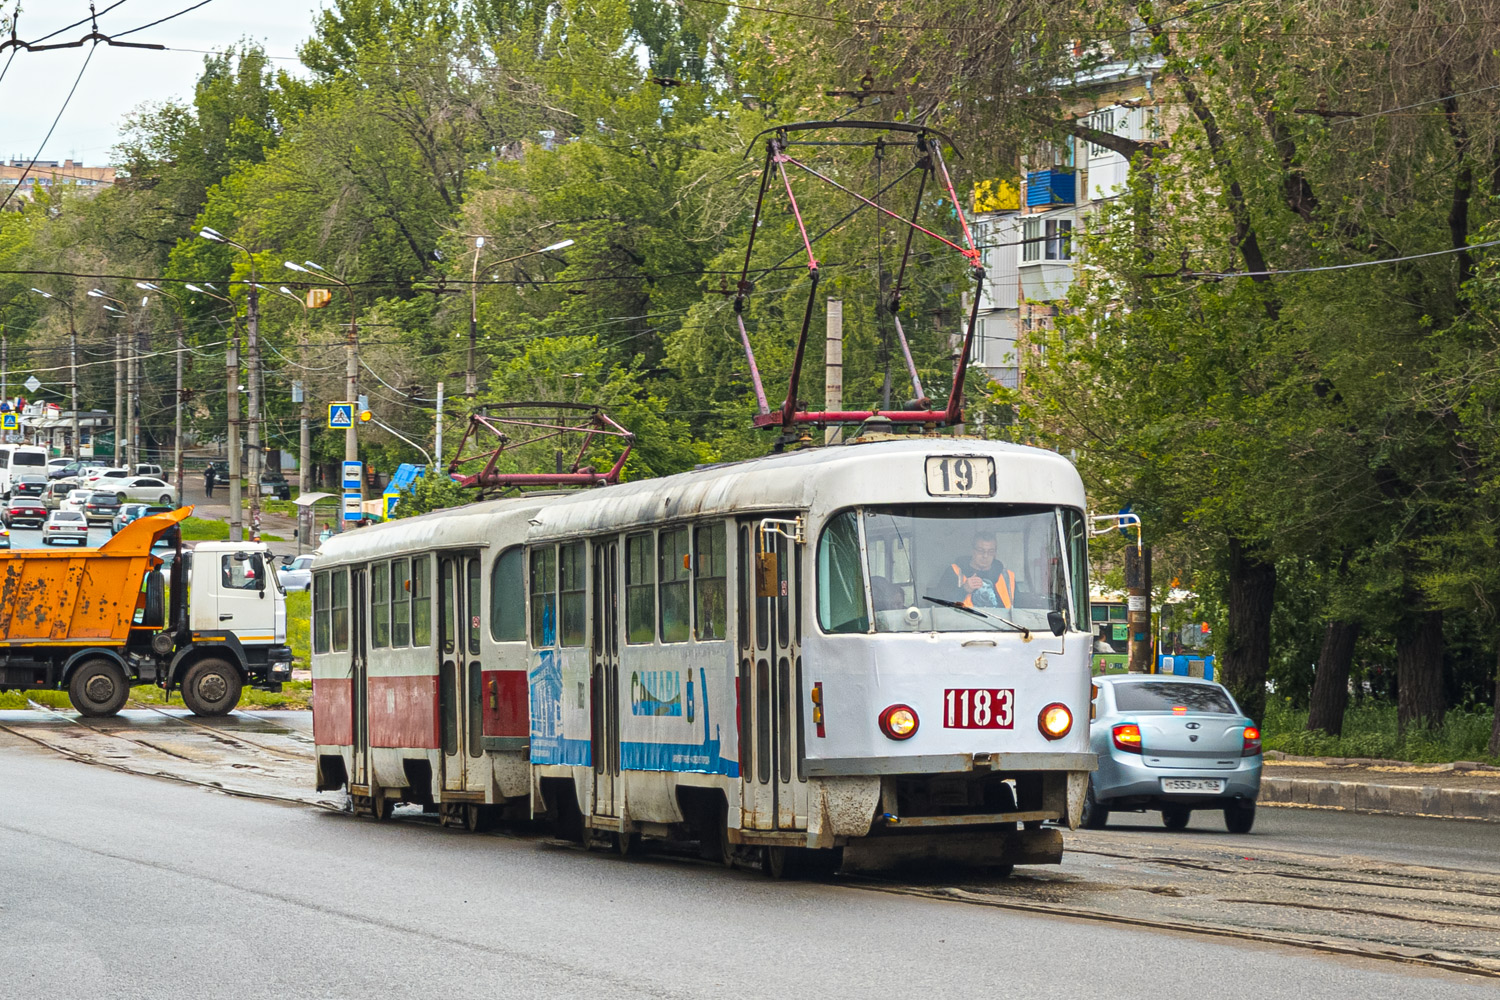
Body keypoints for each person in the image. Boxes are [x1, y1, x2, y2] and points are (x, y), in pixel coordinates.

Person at [949, 532, 1015, 610]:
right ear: (972, 551)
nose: (985, 556)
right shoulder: (954, 572)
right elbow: (939, 605)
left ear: (995, 553)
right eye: (981, 551)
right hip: (963, 621)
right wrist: (963, 590)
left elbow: (1021, 610)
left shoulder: (1007, 576)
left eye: (990, 551)